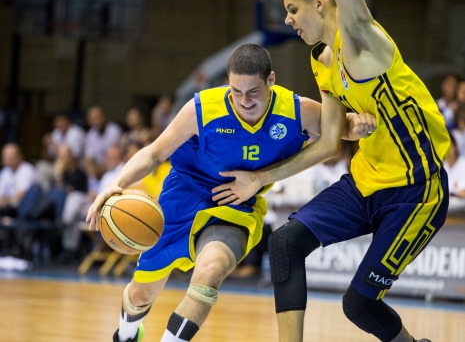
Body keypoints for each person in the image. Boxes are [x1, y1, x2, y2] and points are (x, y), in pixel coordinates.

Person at [86, 44, 374, 342]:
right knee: (141, 293)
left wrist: (359, 123)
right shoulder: (202, 109)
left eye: (253, 91)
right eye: (236, 91)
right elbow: (154, 154)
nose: (244, 100)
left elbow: (341, 128)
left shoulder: (295, 109)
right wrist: (115, 183)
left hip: (237, 205)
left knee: (209, 274)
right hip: (183, 198)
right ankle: (127, 333)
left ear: (271, 80)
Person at [211, 0, 450, 342]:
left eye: (293, 9)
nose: (289, 20)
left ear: (321, 2)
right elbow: (328, 144)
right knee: (284, 243)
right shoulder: (322, 60)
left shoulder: (362, 39)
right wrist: (259, 179)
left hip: (417, 192)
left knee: (359, 305)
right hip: (366, 181)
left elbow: (353, 9)